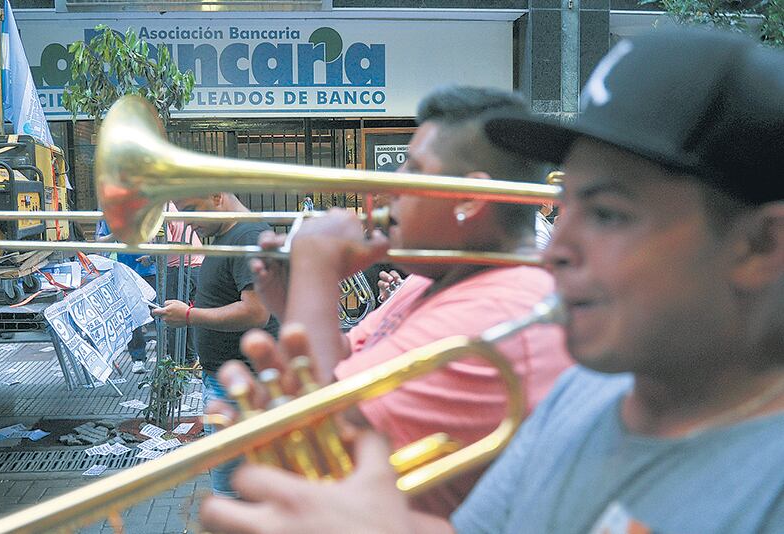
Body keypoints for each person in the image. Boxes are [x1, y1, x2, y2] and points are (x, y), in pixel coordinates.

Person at [198, 28, 784, 533]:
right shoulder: (593, 395)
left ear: (760, 246)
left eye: (608, 213)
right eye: (565, 204)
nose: (554, 254)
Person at [231, 86, 572, 516]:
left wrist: (315, 270)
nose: (391, 188)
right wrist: (294, 299)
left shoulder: (502, 311)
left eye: (413, 171)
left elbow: (316, 458)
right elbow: (343, 367)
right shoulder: (432, 279)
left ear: (469, 198)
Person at [151, 192, 279, 497]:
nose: (187, 222)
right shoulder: (232, 234)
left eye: (191, 209)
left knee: (231, 493)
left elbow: (256, 312)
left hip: (241, 386)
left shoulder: (248, 236)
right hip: (233, 382)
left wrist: (191, 315)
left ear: (217, 196)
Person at [137, 201, 205, 366]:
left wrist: (150, 253)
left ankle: (178, 364)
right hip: (196, 265)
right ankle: (190, 359)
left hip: (180, 268)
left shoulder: (160, 210)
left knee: (174, 315)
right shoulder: (169, 208)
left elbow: (163, 242)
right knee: (188, 314)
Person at [94, 218, 156, 374]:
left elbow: (158, 237)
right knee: (132, 315)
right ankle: (138, 358)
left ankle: (166, 356)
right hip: (126, 272)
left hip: (150, 269)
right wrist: (115, 235)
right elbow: (100, 242)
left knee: (158, 313)